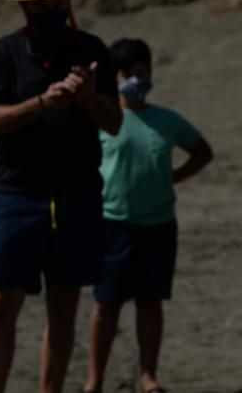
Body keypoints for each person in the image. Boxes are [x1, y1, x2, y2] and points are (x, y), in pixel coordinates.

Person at [0, 0, 122, 393]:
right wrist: (42, 103)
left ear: (66, 3)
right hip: (18, 194)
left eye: (50, 4)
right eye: (34, 7)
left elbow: (114, 122)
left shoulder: (93, 50)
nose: (43, 13)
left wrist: (85, 98)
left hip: (77, 195)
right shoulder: (4, 54)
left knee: (63, 309)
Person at [83, 38, 214, 393]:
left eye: (144, 72)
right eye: (129, 73)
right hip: (113, 224)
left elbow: (202, 151)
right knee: (106, 305)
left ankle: (148, 375)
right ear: (115, 75)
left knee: (150, 302)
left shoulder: (165, 120)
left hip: (157, 225)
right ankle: (94, 379)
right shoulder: (103, 120)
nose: (138, 80)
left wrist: (175, 177)